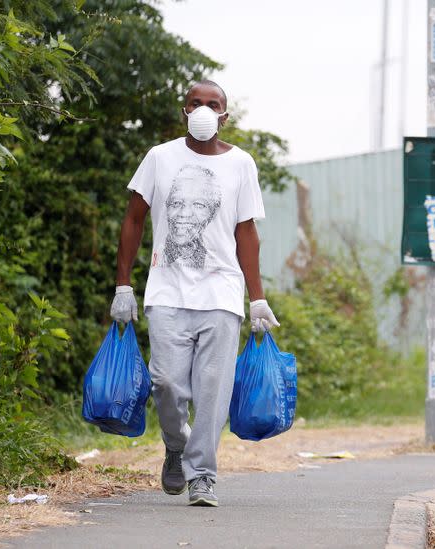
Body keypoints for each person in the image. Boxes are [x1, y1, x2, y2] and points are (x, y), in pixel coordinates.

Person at [110, 80, 280, 507]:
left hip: (221, 294)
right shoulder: (159, 158)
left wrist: (256, 297)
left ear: (225, 115)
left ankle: (202, 473)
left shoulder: (242, 164)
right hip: (166, 290)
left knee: (212, 391)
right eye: (195, 103)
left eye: (213, 104)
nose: (204, 110)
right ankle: (175, 443)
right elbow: (133, 220)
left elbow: (246, 231)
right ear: (183, 110)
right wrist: (123, 285)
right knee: (165, 383)